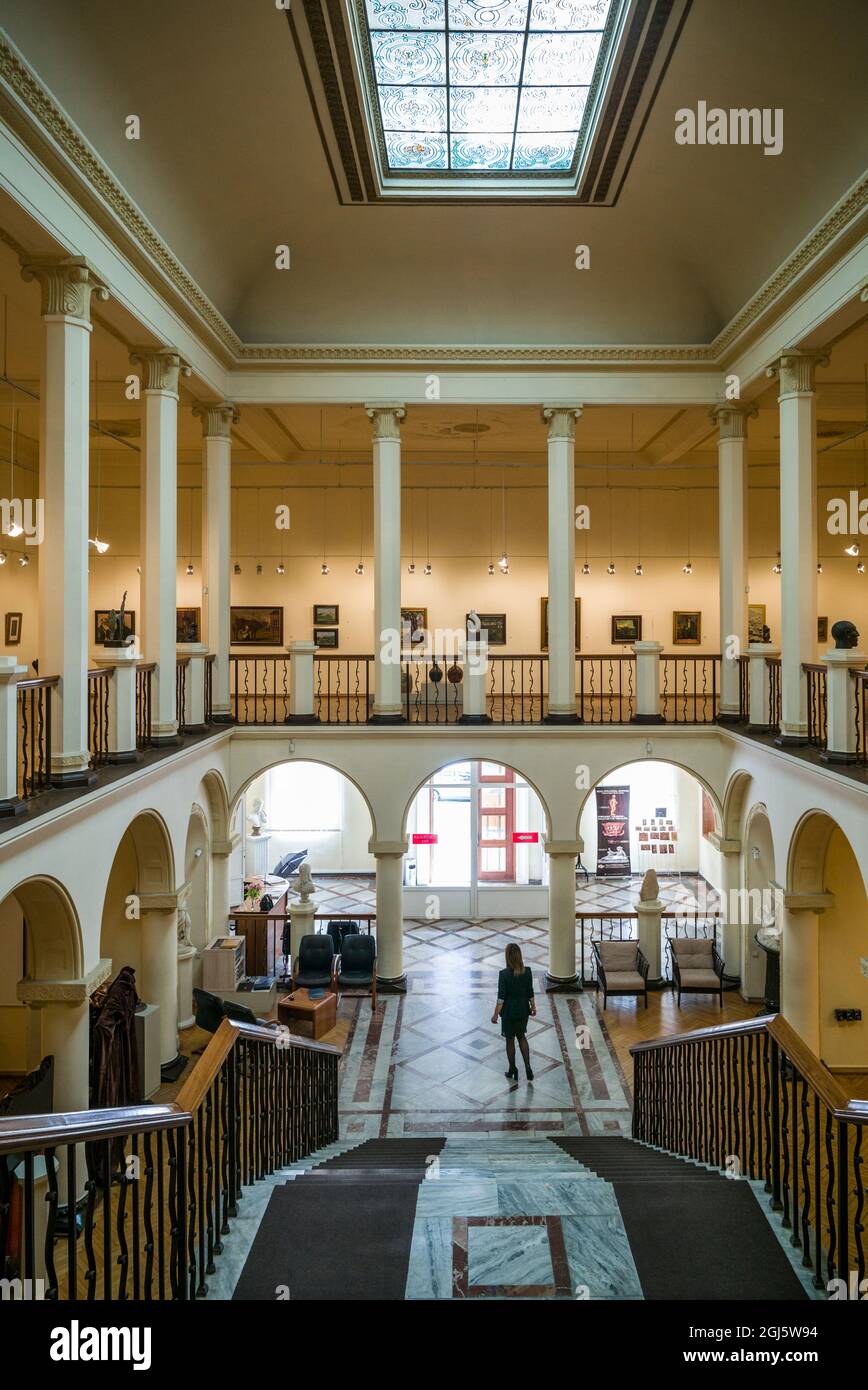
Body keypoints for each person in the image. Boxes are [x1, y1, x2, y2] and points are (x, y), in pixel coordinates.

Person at [491, 943, 536, 1082]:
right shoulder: (527, 971)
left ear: (507, 957)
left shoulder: (503, 974)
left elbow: (501, 998)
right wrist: (533, 1006)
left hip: (509, 1013)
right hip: (523, 1010)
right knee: (522, 1036)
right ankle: (528, 1067)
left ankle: (512, 1069)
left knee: (510, 1040)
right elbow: (530, 991)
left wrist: (494, 1015)